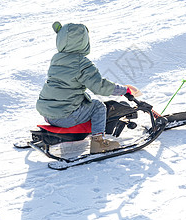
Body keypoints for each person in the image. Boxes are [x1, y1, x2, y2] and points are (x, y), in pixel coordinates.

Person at [36, 21, 141, 154]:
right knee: (98, 106)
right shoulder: (81, 63)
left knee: (84, 101)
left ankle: (88, 131)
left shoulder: (56, 59)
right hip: (64, 116)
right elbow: (100, 87)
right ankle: (98, 142)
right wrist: (123, 90)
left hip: (47, 113)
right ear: (83, 41)